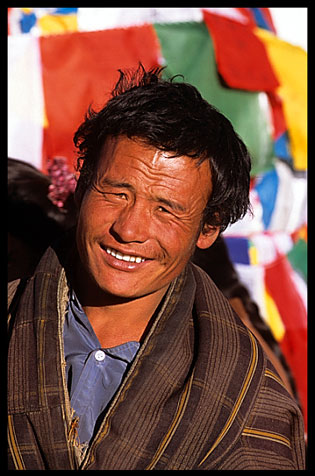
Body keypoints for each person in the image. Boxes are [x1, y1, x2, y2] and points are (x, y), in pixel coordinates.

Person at [7, 65, 305, 470]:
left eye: (166, 210)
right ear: (82, 185)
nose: (128, 229)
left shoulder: (248, 408)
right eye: (116, 192)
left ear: (208, 227)